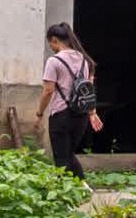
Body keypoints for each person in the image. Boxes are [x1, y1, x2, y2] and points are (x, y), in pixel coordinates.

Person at [35, 22, 98, 179]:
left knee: (61, 160)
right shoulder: (84, 59)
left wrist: (39, 113)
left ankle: (65, 191)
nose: (51, 47)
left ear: (54, 40)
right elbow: (89, 89)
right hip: (81, 116)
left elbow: (48, 91)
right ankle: (82, 187)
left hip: (61, 115)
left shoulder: (54, 61)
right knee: (68, 155)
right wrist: (92, 112)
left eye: (50, 43)